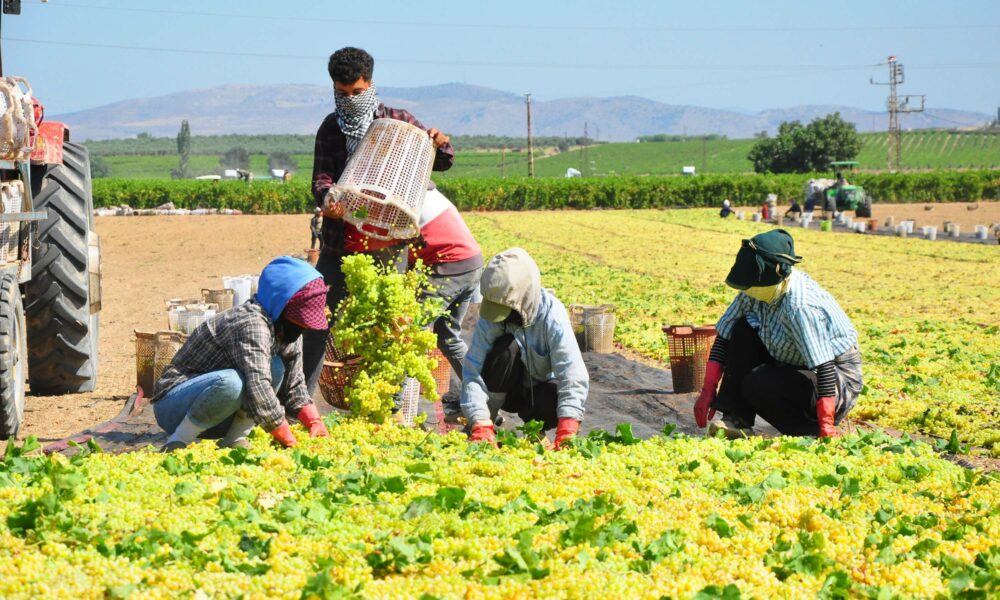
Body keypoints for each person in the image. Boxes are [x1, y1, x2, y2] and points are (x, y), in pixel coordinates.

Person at [303, 46, 455, 394]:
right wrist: (328, 199)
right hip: (340, 244)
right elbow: (320, 180)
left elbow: (438, 160)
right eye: (342, 94)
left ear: (370, 84)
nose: (350, 100)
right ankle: (302, 401)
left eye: (357, 92)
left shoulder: (398, 122)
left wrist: (440, 142)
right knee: (319, 317)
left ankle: (388, 401)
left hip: (389, 242)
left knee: (390, 324)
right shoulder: (330, 129)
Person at [693, 230, 862, 439]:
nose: (747, 290)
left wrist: (826, 423)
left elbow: (824, 366)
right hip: (793, 361)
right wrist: (708, 390)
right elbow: (725, 336)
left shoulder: (800, 307)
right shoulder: (756, 290)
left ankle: (807, 431)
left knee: (757, 385)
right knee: (743, 328)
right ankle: (736, 419)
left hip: (835, 380)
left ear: (776, 275)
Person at [153, 257, 331, 452]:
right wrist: (288, 438)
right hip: (174, 407)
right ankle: (178, 440)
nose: (304, 326)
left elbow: (294, 384)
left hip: (218, 413)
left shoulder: (284, 328)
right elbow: (259, 385)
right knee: (232, 382)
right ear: (280, 304)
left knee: (276, 367)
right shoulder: (251, 323)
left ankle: (234, 438)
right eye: (300, 318)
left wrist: (313, 421)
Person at [460, 248, 589, 448]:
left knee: (553, 397)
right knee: (506, 349)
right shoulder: (491, 319)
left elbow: (572, 372)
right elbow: (473, 370)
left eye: (507, 310)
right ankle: (485, 427)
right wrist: (479, 421)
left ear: (523, 299)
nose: (502, 318)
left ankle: (535, 430)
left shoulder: (552, 316)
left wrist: (568, 428)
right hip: (505, 391)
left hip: (538, 395)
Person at [409, 190, 483, 418]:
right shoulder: (430, 193)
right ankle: (483, 402)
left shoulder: (407, 200)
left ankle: (393, 409)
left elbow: (399, 257)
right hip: (471, 263)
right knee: (448, 337)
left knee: (409, 334)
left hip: (450, 265)